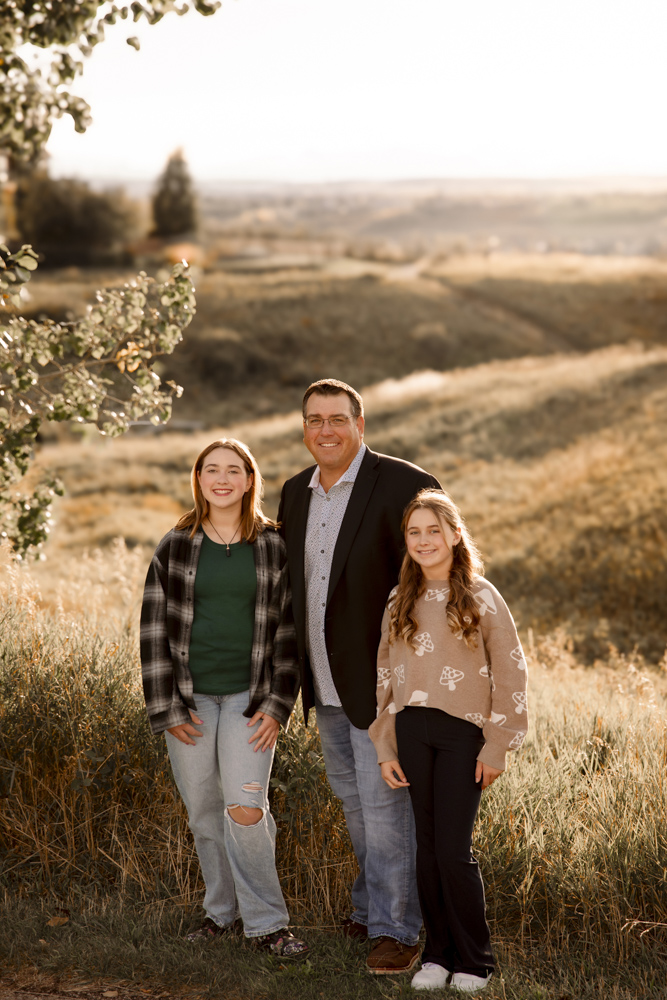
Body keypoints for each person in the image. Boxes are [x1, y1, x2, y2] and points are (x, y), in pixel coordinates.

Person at [278, 378, 440, 975]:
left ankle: (398, 929)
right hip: (323, 683)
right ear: (304, 429)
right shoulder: (295, 493)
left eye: (338, 419)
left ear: (359, 424)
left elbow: (436, 582)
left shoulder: (404, 485)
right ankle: (372, 908)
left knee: (387, 809)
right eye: (314, 420)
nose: (326, 430)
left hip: (384, 688)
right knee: (355, 805)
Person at [140, 438, 307, 958]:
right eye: (211, 469)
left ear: (249, 479)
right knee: (205, 812)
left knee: (246, 808)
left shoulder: (273, 545)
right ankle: (221, 914)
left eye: (233, 470)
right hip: (189, 702)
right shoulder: (176, 544)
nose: (222, 479)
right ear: (199, 478)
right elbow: (153, 630)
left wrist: (277, 705)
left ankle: (269, 924)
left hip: (248, 699)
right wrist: (167, 707)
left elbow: (288, 632)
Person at [369, 489, 528, 992]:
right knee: (427, 847)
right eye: (414, 532)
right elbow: (385, 676)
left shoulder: (482, 595)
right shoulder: (399, 598)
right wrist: (385, 746)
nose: (423, 540)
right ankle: (437, 956)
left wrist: (497, 744)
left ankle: (475, 961)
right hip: (412, 730)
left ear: (455, 535)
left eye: (433, 531)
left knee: (454, 849)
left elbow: (511, 671)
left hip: (463, 733)